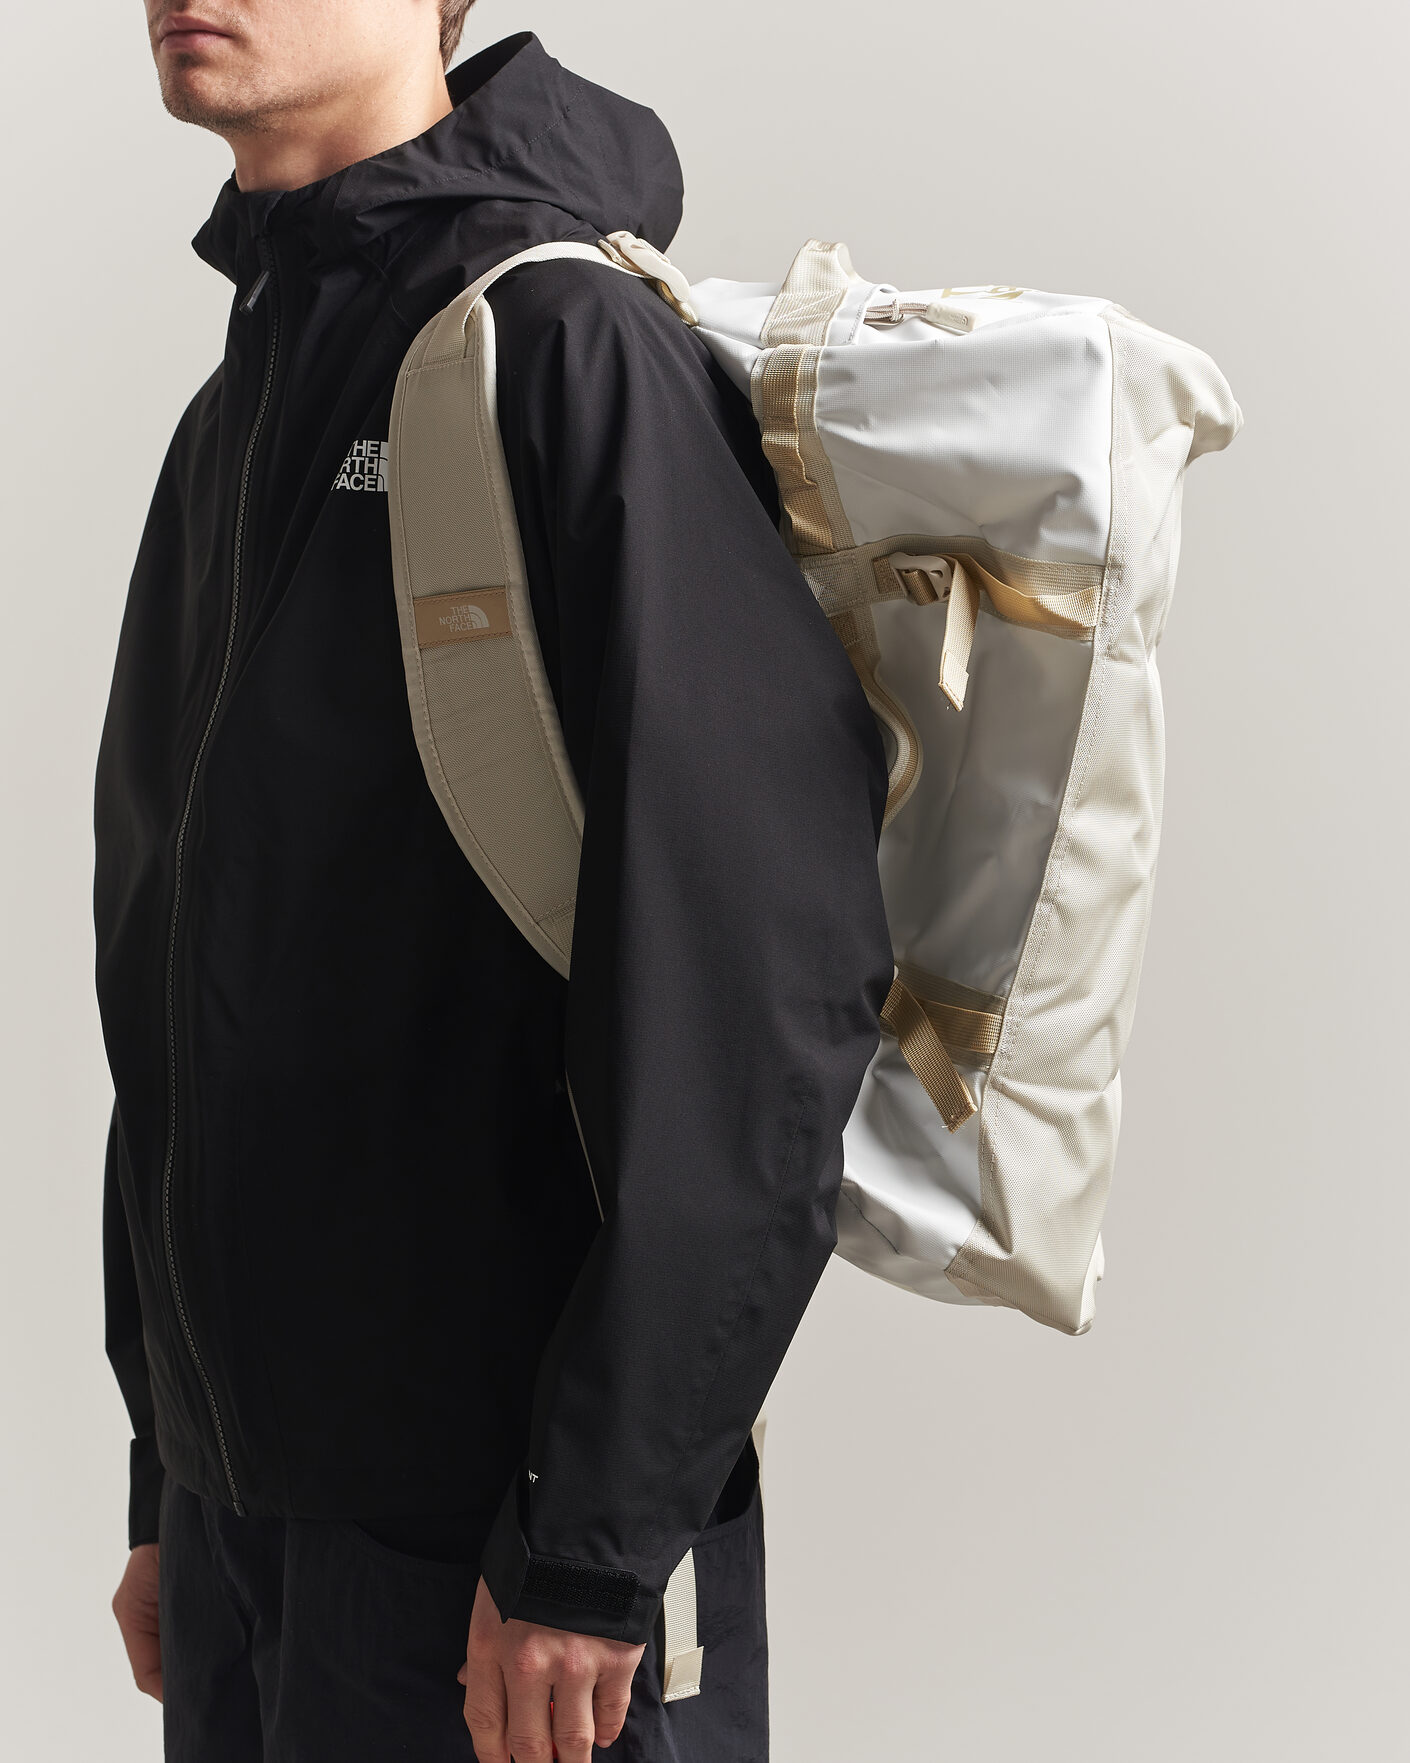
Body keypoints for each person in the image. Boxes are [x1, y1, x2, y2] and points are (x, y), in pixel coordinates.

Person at [98, 5, 892, 1759]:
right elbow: (180, 978)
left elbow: (757, 993)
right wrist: (174, 1468)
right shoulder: (238, 411)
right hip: (254, 1532)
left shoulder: (562, 350)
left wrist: (595, 1542)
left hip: (501, 1563)